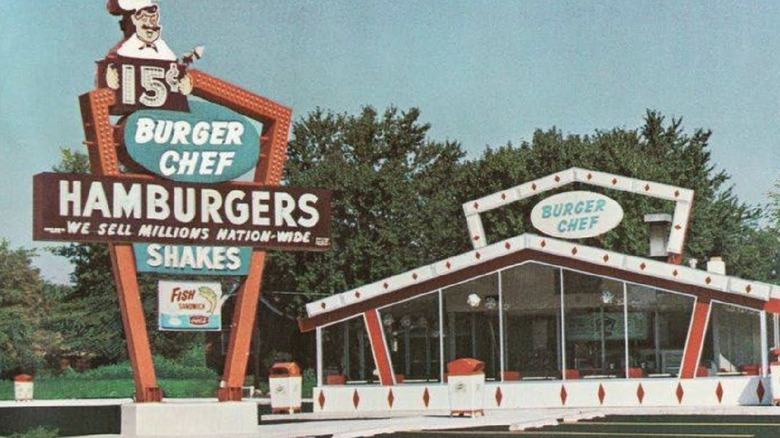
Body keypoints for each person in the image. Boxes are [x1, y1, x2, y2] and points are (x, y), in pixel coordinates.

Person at [104, 0, 192, 94]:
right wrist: (108, 79)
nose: (149, 24)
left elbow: (176, 76)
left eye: (153, 20)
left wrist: (186, 84)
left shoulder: (164, 51)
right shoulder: (121, 51)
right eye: (145, 20)